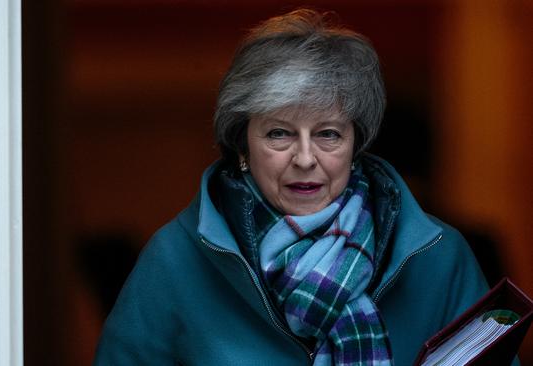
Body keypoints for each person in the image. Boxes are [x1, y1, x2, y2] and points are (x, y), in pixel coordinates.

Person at [93, 9, 489, 365]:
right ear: (242, 144)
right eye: (279, 133)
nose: (304, 158)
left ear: (356, 144)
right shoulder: (175, 260)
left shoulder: (438, 258)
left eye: (328, 134)